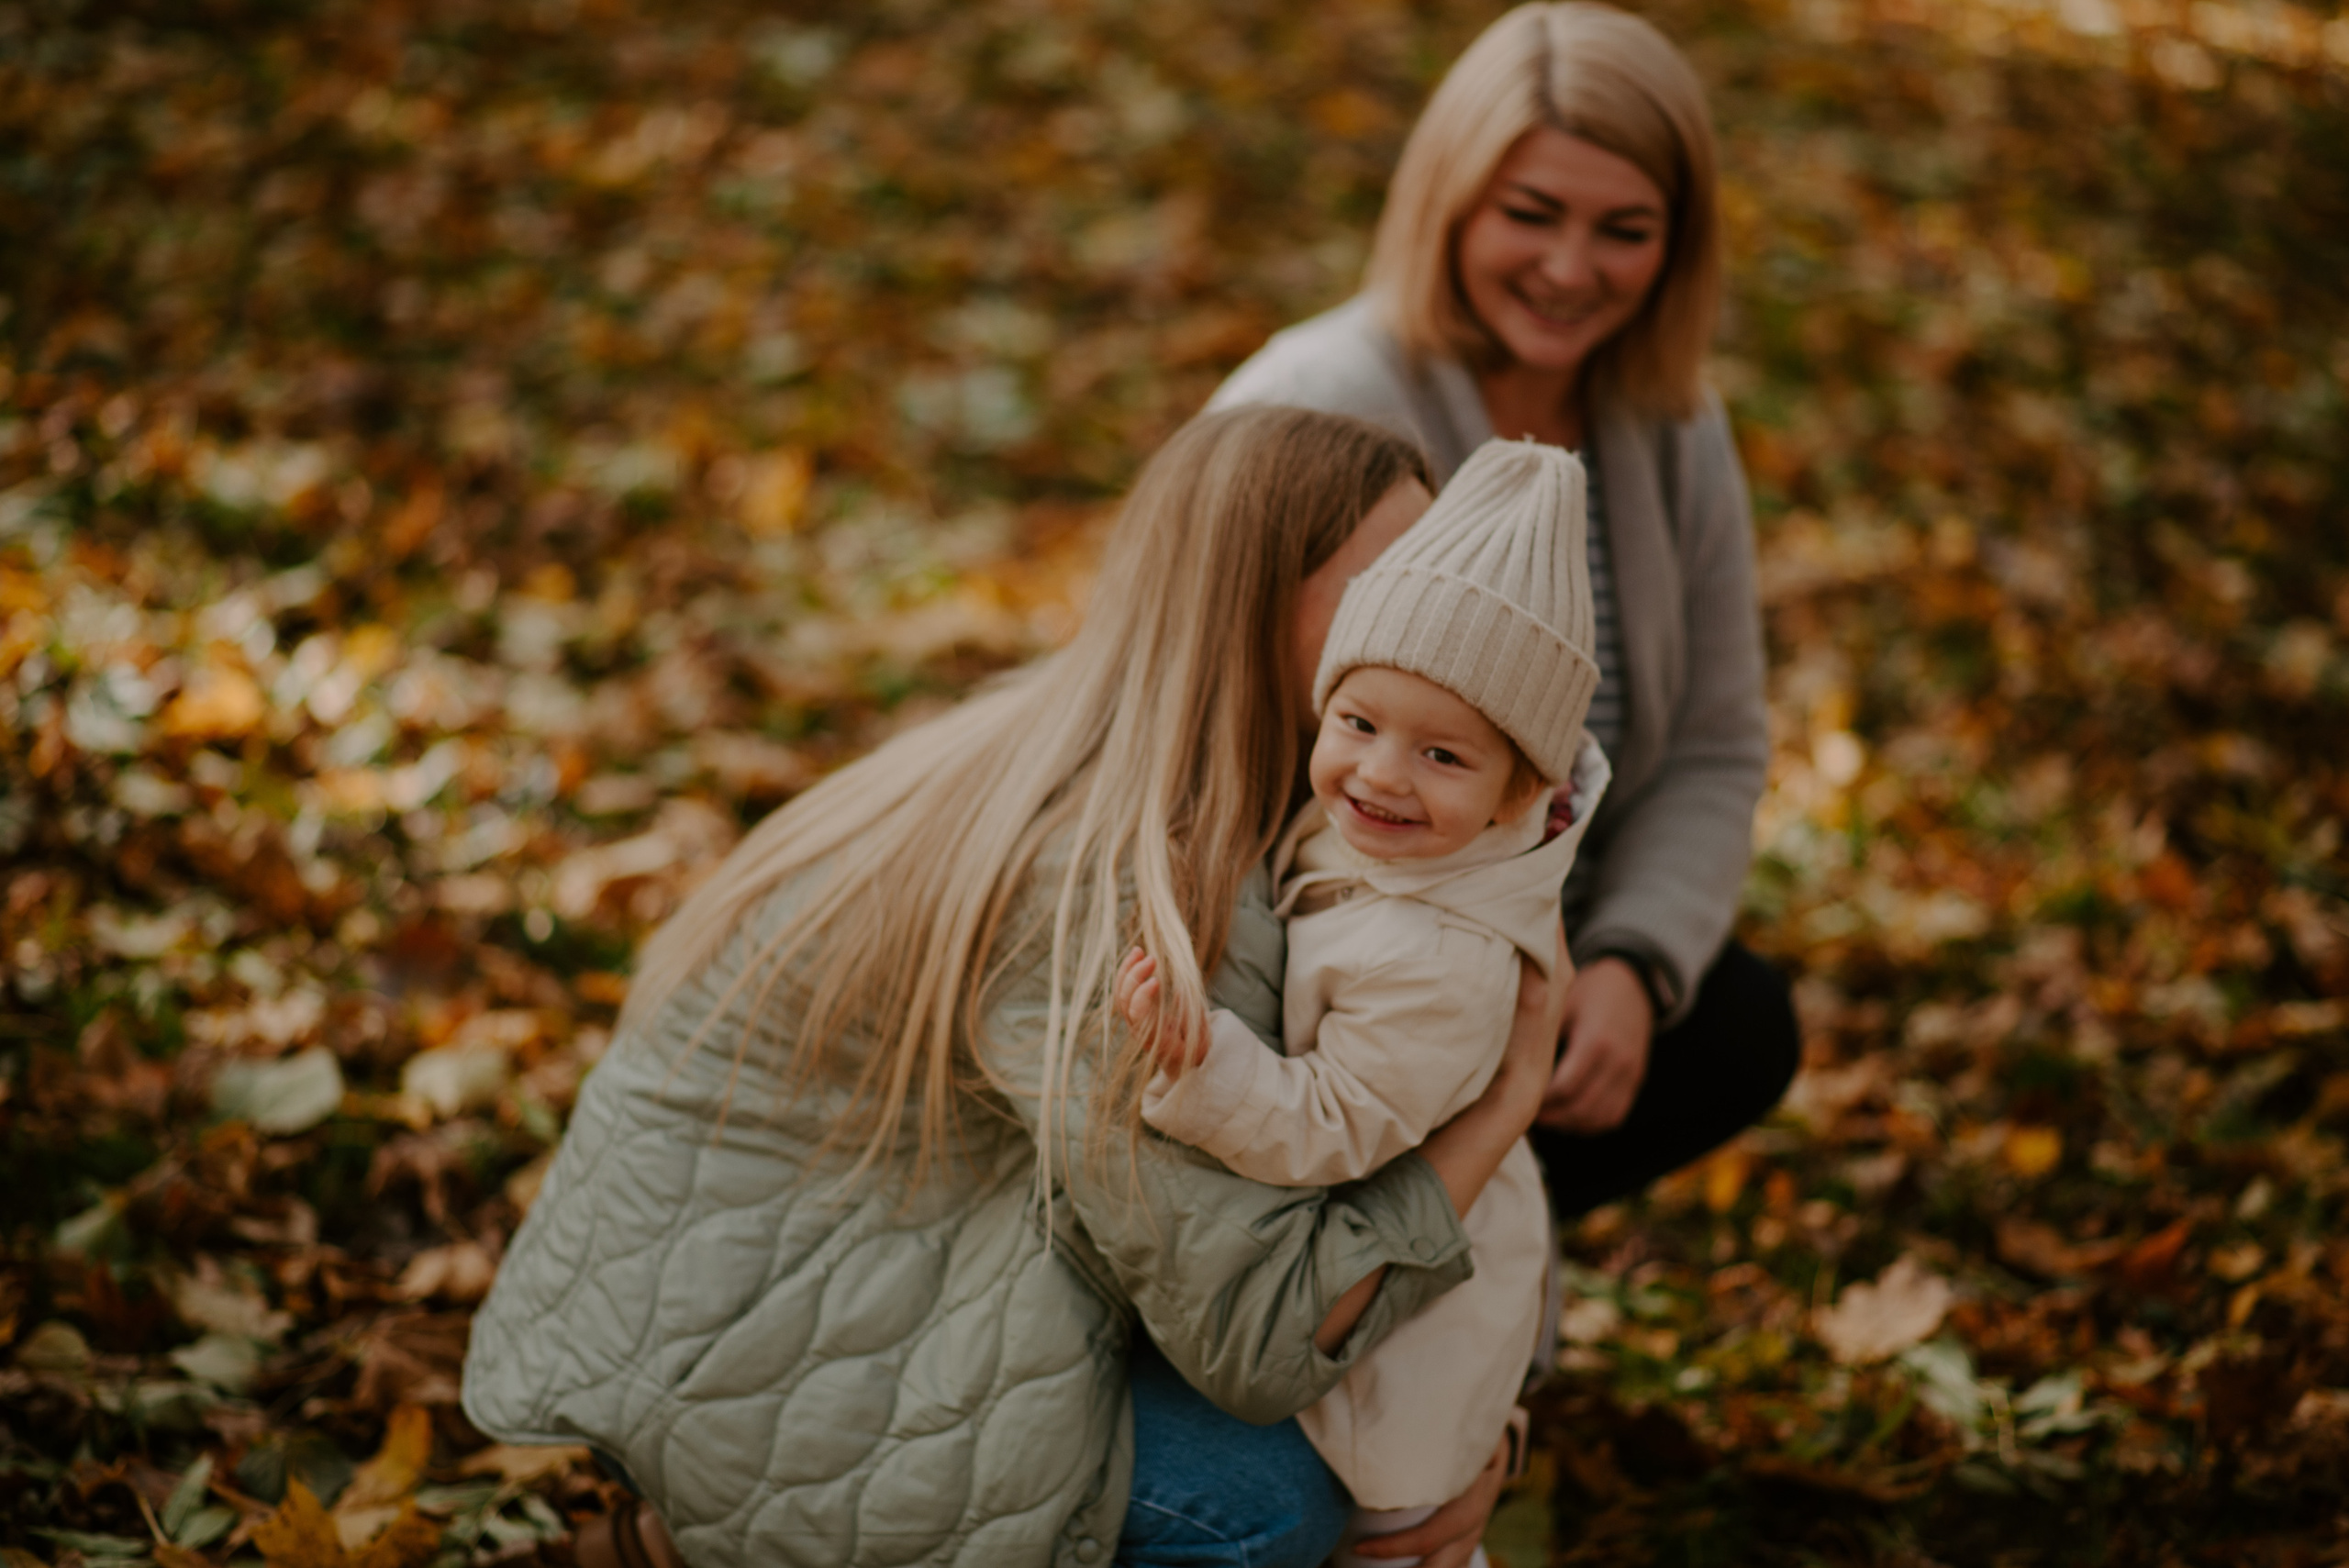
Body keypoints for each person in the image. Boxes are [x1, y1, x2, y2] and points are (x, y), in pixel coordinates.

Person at [460, 406, 1564, 1568]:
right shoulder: (1123, 886)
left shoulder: (1257, 792)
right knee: (1263, 1500)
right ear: (1239, 603)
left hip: (865, 1266)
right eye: (1385, 586)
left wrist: (1462, 1428)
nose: (1428, 622)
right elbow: (1262, 1334)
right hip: (770, 1353)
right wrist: (1505, 1102)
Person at [1208, 1, 1799, 1217]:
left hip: (1548, 938)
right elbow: (1181, 723)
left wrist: (1632, 964)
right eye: (1530, 214)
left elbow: (1713, 745)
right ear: (1450, 204)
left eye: (1624, 230)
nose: (1571, 268)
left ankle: (1482, 1249)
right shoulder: (1315, 400)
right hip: (1338, 944)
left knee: (1738, 1023)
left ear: (1677, 247)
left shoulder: (1675, 432)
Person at [1118, 440, 1609, 1568]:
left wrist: (1204, 1067)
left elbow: (1335, 1124)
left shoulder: (1441, 957)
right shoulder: (1386, 837)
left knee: (1398, 1534)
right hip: (1380, 1249)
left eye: (1441, 753)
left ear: (1520, 793)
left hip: (1405, 1315)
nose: (1382, 774)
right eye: (1357, 722)